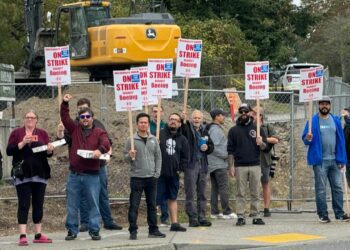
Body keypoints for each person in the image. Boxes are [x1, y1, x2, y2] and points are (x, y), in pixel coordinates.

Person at [57, 98, 122, 232]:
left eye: (87, 116)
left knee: (96, 200)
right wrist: (64, 103)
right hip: (76, 171)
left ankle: (97, 227)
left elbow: (106, 142)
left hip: (94, 170)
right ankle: (75, 228)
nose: (85, 118)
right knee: (74, 202)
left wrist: (101, 151)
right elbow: (64, 118)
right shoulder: (75, 128)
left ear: (92, 117)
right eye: (82, 115)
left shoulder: (98, 128)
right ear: (78, 116)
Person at [6, 110, 54, 246]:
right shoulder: (16, 133)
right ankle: (22, 235)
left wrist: (50, 150)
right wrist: (21, 144)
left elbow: (48, 153)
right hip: (22, 174)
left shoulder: (42, 133)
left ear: (36, 120)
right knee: (24, 203)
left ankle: (38, 234)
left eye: (32, 117)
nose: (30, 119)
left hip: (40, 173)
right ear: (24, 119)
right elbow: (9, 151)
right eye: (27, 117)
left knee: (38, 203)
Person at [302, 96, 350, 223]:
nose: (324, 106)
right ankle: (323, 214)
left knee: (337, 187)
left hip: (335, 160)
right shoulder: (312, 121)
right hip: (320, 161)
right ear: (318, 105)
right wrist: (308, 137)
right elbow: (305, 140)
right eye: (322, 104)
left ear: (330, 106)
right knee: (321, 188)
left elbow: (341, 141)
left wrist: (342, 159)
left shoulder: (335, 120)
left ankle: (339, 213)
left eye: (327, 104)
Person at [124, 113, 165, 240]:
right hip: (137, 177)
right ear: (137, 124)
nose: (143, 124)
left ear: (148, 124)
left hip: (151, 178)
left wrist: (156, 173)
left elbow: (158, 157)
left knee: (152, 205)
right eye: (141, 122)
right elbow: (125, 159)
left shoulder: (153, 140)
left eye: (145, 122)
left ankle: (153, 229)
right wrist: (129, 156)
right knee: (134, 205)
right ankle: (133, 230)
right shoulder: (131, 140)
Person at [227, 103, 267, 226]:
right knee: (240, 192)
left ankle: (256, 215)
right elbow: (230, 150)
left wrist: (261, 143)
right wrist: (231, 166)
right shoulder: (233, 130)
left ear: (250, 113)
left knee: (255, 191)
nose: (244, 114)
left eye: (246, 112)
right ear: (239, 113)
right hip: (240, 165)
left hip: (255, 164)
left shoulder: (258, 128)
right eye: (241, 112)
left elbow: (265, 147)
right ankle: (240, 216)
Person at [181, 110, 214, 227]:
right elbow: (182, 131)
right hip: (191, 165)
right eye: (194, 118)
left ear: (201, 119)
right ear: (191, 118)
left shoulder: (204, 130)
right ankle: (192, 218)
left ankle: (202, 217)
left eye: (199, 118)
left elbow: (211, 146)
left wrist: (208, 147)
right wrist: (182, 119)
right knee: (190, 193)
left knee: (202, 193)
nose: (196, 120)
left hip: (203, 165)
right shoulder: (187, 128)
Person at [159, 113, 190, 232]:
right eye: (171, 119)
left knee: (172, 197)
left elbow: (185, 157)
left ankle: (175, 223)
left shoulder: (182, 139)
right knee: (156, 198)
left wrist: (180, 169)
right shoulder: (159, 135)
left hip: (173, 174)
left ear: (180, 123)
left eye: (176, 120)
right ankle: (153, 224)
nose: (173, 122)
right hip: (159, 173)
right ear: (168, 121)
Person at [206, 108, 236, 220]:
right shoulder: (215, 130)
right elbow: (213, 147)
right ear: (217, 117)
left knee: (215, 188)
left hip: (214, 163)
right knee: (223, 187)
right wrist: (225, 155)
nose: (224, 117)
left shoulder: (213, 128)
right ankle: (226, 212)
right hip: (218, 164)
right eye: (222, 115)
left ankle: (214, 212)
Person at [251, 106, 279, 217]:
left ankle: (266, 208)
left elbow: (276, 139)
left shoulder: (267, 127)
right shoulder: (249, 127)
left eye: (254, 114)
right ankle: (254, 209)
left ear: (261, 116)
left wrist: (263, 138)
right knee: (253, 185)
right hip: (252, 159)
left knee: (265, 183)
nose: (251, 115)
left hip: (264, 159)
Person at [150, 105, 169, 227]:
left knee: (164, 189)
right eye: (154, 111)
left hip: (164, 162)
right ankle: (151, 217)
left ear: (162, 113)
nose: (156, 113)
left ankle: (165, 216)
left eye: (159, 111)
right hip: (150, 162)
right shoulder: (147, 126)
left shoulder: (166, 127)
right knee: (152, 190)